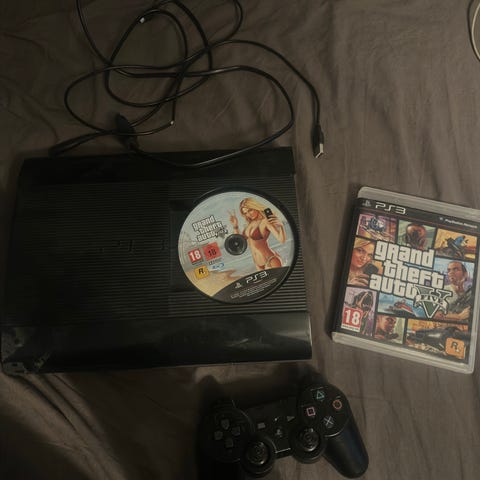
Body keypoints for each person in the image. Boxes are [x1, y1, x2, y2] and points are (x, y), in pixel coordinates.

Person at [229, 198, 286, 270]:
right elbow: (239, 242)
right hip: (258, 264)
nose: (248, 214)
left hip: (270, 260)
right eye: (245, 213)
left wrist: (281, 226)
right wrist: (235, 225)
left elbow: (281, 240)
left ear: (255, 207)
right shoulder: (249, 225)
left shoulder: (265, 222)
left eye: (250, 210)